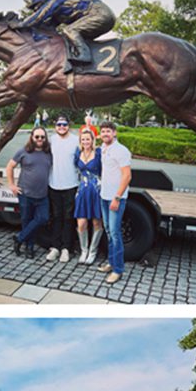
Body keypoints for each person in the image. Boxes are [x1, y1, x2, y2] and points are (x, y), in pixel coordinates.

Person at [16, 0, 115, 64]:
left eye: (36, 6)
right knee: (73, 38)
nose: (35, 10)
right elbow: (49, 32)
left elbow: (38, 18)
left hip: (100, 13)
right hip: (102, 15)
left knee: (69, 30)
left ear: (43, 2)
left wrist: (20, 25)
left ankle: (85, 55)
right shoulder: (57, 15)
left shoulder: (53, 3)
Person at [6, 127, 52, 259]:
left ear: (45, 138)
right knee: (26, 221)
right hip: (25, 194)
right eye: (37, 137)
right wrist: (12, 185)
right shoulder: (23, 151)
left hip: (42, 195)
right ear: (32, 137)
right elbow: (10, 166)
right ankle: (29, 247)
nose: (39, 139)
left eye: (42, 137)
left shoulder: (48, 153)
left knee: (43, 218)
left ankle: (19, 238)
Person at [96, 121, 132, 285]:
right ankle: (111, 262)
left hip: (115, 198)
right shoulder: (104, 148)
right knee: (109, 232)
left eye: (108, 131)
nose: (105, 134)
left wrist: (117, 198)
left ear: (114, 133)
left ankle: (118, 269)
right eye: (103, 131)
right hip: (104, 196)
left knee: (116, 234)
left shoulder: (121, 151)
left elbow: (127, 176)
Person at [46, 115, 79, 262]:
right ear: (55, 126)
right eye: (59, 124)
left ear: (69, 125)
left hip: (71, 184)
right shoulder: (51, 140)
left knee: (68, 218)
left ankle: (66, 248)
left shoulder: (75, 140)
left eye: (64, 124)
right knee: (56, 217)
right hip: (54, 184)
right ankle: (55, 247)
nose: (61, 127)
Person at [73, 128, 103, 264]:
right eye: (83, 139)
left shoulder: (98, 153)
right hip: (82, 190)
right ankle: (83, 250)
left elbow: (104, 170)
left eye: (88, 139)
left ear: (92, 140)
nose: (85, 141)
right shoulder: (78, 153)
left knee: (97, 222)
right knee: (81, 223)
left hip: (96, 190)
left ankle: (93, 252)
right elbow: (75, 169)